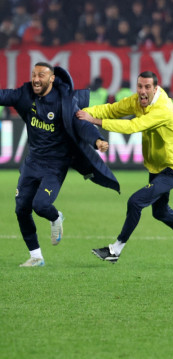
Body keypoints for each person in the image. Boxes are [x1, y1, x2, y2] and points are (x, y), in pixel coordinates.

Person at [0, 62, 119, 267]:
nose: (36, 79)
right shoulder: (25, 94)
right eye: (34, 75)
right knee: (21, 209)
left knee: (41, 205)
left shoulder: (64, 101)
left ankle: (56, 217)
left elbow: (80, 123)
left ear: (52, 79)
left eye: (42, 75)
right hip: (33, 161)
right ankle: (36, 256)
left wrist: (96, 140)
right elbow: (4, 95)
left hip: (55, 164)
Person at [76, 71, 173, 263]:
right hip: (157, 167)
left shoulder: (163, 108)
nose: (143, 91)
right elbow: (112, 109)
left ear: (156, 89)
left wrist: (94, 121)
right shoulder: (137, 101)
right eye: (140, 86)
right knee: (160, 211)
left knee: (135, 202)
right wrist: (86, 112)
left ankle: (115, 250)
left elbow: (132, 126)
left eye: (147, 87)